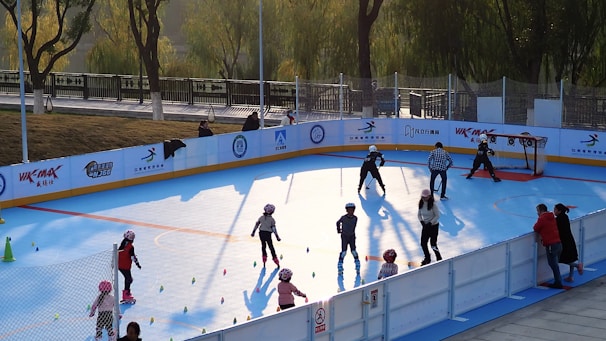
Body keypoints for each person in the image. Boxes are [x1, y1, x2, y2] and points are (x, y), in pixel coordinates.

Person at [533, 203, 563, 289]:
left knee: (553, 264)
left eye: (538, 211)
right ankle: (558, 281)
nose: (537, 213)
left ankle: (558, 282)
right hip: (557, 242)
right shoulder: (551, 217)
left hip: (551, 244)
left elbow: (536, 228)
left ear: (541, 211)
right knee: (555, 263)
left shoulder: (542, 218)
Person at [554, 203, 583, 282]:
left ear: (559, 211)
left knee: (563, 259)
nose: (554, 211)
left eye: (555, 210)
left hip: (564, 241)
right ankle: (570, 276)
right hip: (570, 239)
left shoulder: (558, 219)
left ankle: (577, 266)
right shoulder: (565, 216)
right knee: (571, 258)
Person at [418, 189, 442, 266]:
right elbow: (419, 214)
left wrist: (430, 223)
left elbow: (437, 215)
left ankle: (439, 257)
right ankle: (427, 257)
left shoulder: (433, 205)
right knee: (423, 243)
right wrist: (422, 222)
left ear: (429, 196)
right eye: (423, 197)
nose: (424, 198)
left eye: (425, 197)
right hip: (425, 226)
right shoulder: (421, 203)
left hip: (433, 227)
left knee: (433, 244)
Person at [336, 202, 360, 275]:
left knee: (353, 251)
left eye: (352, 210)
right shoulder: (343, 217)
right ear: (347, 210)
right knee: (344, 252)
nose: (351, 211)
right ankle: (340, 266)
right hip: (344, 236)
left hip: (352, 236)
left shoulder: (355, 218)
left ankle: (357, 264)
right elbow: (338, 222)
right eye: (349, 210)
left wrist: (340, 229)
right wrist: (339, 230)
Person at [118, 229, 142, 303]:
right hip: (125, 266)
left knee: (128, 278)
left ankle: (126, 293)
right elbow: (132, 257)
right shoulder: (131, 247)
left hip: (119, 265)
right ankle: (126, 295)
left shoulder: (123, 243)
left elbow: (119, 252)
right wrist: (137, 264)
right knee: (129, 279)